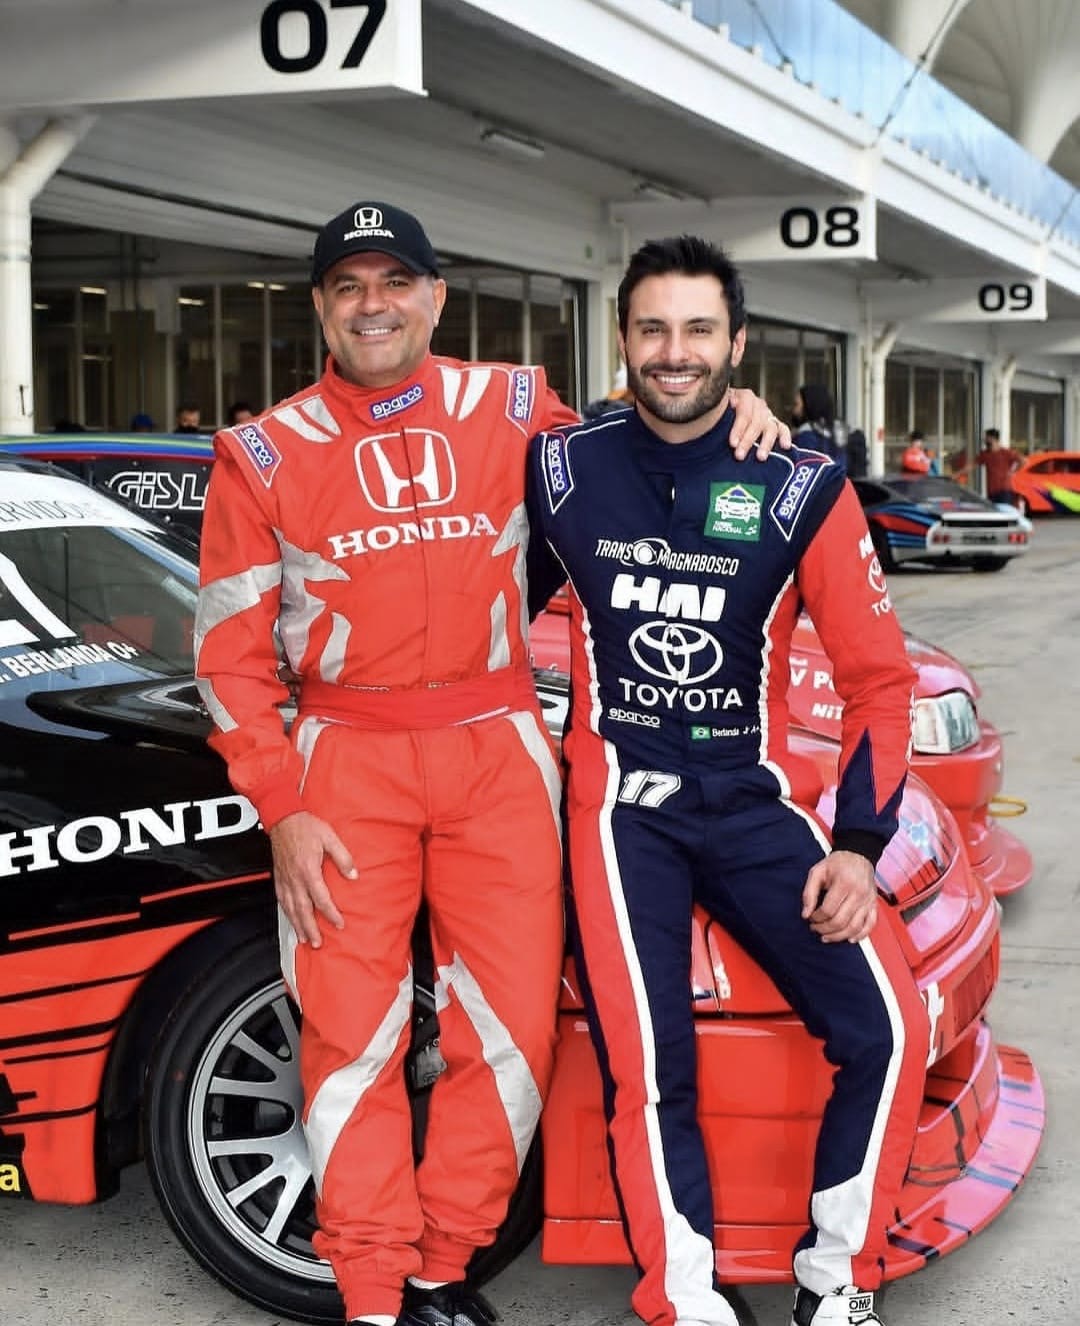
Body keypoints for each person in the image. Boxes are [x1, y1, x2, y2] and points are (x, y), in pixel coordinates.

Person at [193, 202, 787, 1326]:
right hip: (341, 763)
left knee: (511, 1032)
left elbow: (646, 452)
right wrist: (280, 805)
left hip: (499, 747)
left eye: (395, 282)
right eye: (349, 286)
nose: (374, 305)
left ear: (435, 298)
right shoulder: (262, 451)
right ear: (320, 306)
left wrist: (733, 414)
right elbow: (226, 658)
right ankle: (375, 1297)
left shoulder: (516, 406)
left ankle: (440, 1272)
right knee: (350, 1038)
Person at [525, 235, 929, 1326]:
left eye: (699, 329)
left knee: (889, 1028)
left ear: (737, 344)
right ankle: (686, 1301)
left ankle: (837, 1285)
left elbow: (879, 682)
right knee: (650, 1069)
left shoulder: (800, 484)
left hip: (754, 806)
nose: (675, 351)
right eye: (653, 327)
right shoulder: (560, 466)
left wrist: (859, 847)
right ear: (622, 340)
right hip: (621, 812)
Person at [792, 381, 840, 460]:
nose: (794, 411)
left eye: (796, 405)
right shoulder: (837, 438)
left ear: (809, 407)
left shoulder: (805, 439)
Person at [975, 427, 1021, 504]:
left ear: (992, 438)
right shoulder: (985, 454)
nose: (984, 440)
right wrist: (957, 474)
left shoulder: (1006, 452)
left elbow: (1024, 461)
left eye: (986, 437)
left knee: (1003, 510)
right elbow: (971, 465)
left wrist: (1013, 472)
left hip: (1005, 491)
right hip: (991, 492)